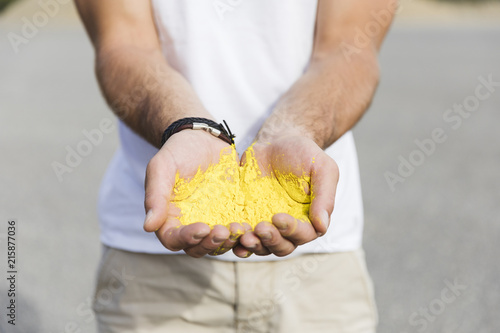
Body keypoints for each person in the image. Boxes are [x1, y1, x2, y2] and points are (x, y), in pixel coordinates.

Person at [75, 0, 394, 332]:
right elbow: (124, 45)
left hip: (317, 263)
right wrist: (187, 127)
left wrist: (297, 130)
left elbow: (350, 49)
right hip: (154, 263)